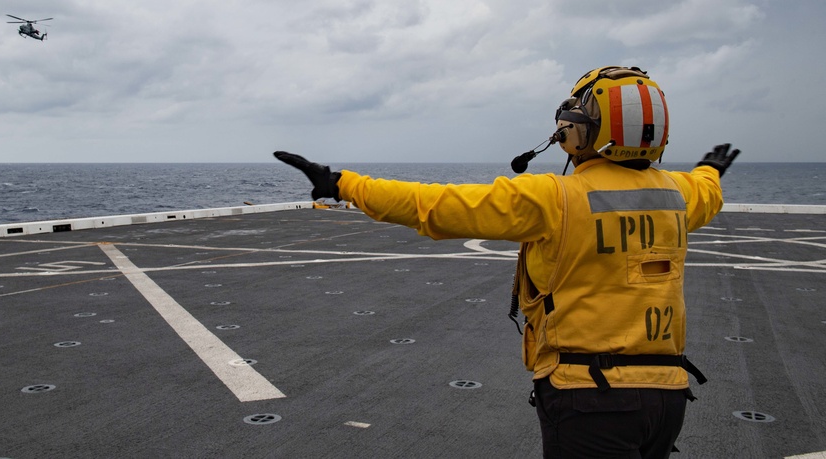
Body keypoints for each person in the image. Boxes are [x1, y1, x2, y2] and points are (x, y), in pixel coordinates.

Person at [274, 65, 739, 459]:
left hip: (589, 396)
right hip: (667, 396)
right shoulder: (679, 195)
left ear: (580, 133)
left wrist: (342, 184)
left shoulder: (552, 197)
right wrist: (711, 169)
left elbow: (433, 206)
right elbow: (709, 191)